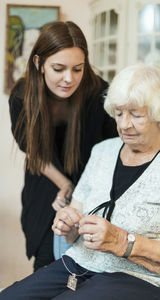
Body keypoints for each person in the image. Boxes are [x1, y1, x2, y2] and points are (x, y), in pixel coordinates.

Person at [2, 63, 160, 300]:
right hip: (79, 265)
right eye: (118, 113)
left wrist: (122, 241)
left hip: (144, 278)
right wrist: (68, 224)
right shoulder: (102, 151)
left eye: (136, 115)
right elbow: (73, 227)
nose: (124, 124)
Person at [8, 21, 117, 271]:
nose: (69, 79)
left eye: (77, 69)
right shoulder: (21, 97)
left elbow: (113, 151)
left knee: (90, 270)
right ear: (39, 63)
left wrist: (78, 195)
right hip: (45, 188)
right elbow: (33, 151)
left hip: (92, 190)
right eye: (58, 68)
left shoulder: (99, 92)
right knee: (47, 264)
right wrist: (65, 186)